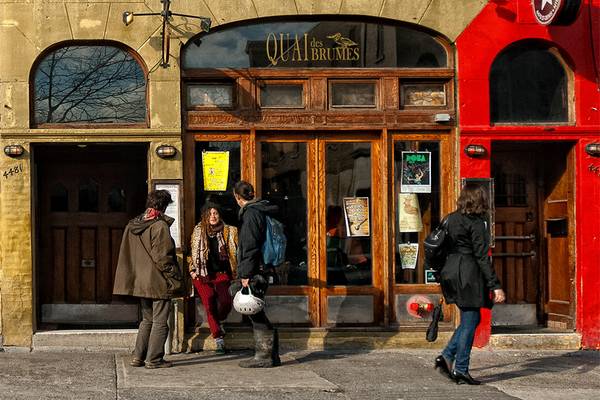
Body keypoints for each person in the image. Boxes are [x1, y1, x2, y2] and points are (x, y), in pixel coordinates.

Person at [434, 184, 506, 385]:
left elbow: (439, 246)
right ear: (480, 200)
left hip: (450, 271)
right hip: (469, 273)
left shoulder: (450, 218)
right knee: (470, 319)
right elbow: (482, 256)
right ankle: (461, 369)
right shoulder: (477, 222)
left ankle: (447, 357)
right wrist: (495, 285)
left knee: (470, 320)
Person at [113, 190, 182, 369]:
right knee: (160, 321)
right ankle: (154, 359)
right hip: (158, 280)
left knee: (147, 320)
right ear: (164, 205)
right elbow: (163, 257)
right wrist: (173, 277)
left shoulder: (134, 223)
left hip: (141, 280)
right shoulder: (159, 226)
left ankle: (138, 357)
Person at [232, 180, 281, 368]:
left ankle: (264, 356)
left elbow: (250, 246)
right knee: (256, 310)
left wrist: (245, 274)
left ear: (237, 197)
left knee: (253, 309)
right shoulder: (262, 209)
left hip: (255, 269)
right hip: (263, 266)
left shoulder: (251, 214)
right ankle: (270, 355)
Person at [189, 203, 238, 354]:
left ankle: (219, 320)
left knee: (226, 301)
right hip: (201, 274)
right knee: (209, 301)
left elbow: (237, 252)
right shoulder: (198, 231)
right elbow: (191, 252)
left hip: (222, 273)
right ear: (204, 216)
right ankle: (219, 339)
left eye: (215, 213)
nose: (213, 217)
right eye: (209, 214)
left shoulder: (230, 231)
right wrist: (192, 270)